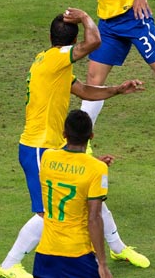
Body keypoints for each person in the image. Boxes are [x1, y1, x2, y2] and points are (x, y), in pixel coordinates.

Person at [0, 8, 148, 278]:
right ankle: (10, 263)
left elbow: (85, 91)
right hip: (39, 148)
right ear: (73, 40)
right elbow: (95, 43)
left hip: (52, 146)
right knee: (48, 213)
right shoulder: (56, 58)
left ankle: (117, 247)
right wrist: (87, 17)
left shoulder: (51, 63)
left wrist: (117, 89)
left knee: (93, 197)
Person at [33, 109, 113, 278]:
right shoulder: (97, 169)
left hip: (45, 255)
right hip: (77, 255)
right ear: (91, 136)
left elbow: (67, 168)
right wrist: (103, 264)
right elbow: (94, 218)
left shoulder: (47, 158)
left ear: (64, 134)